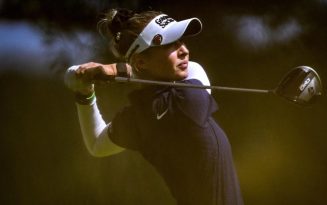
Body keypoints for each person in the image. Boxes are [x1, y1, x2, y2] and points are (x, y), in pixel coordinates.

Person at [64, 8, 243, 205]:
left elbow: (97, 144)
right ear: (141, 62)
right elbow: (195, 67)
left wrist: (85, 94)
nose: (184, 50)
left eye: (181, 41)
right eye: (171, 45)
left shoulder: (139, 115)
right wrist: (118, 70)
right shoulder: (187, 100)